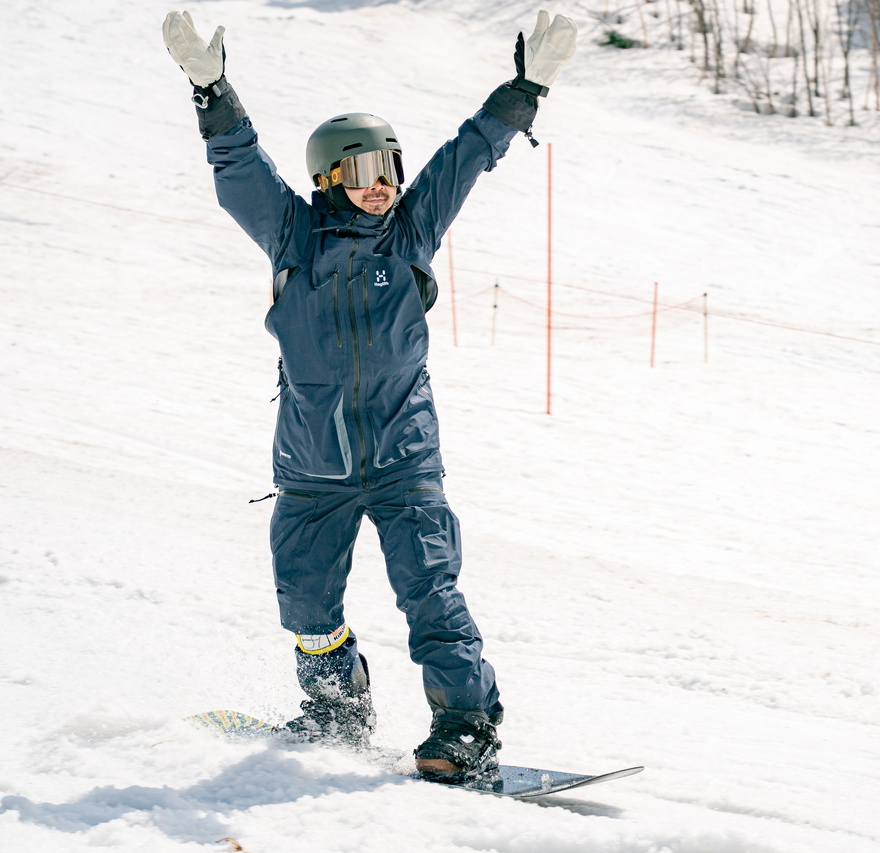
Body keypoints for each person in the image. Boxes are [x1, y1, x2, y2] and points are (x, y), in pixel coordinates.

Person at [161, 9, 577, 782]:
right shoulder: (293, 237)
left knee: (432, 597)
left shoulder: (410, 233)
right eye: (361, 172)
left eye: (388, 167)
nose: (381, 185)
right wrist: (212, 90)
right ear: (328, 179)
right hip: (312, 465)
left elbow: (466, 155)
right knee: (307, 608)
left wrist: (526, 88)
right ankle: (336, 704)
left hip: (403, 455)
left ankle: (465, 725)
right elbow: (239, 171)